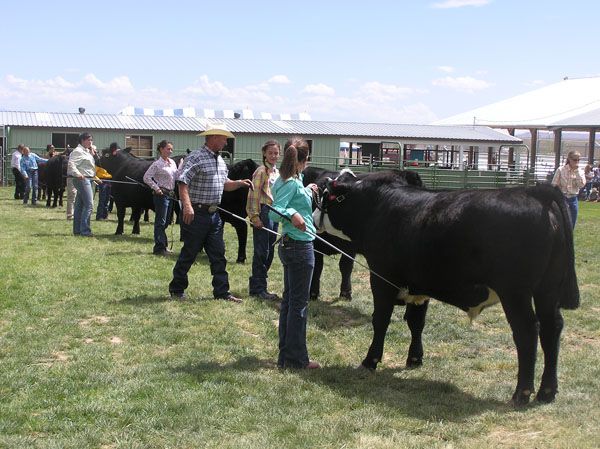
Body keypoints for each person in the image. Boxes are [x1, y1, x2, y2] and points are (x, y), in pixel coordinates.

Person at [168, 123, 252, 302]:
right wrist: (188, 206)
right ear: (213, 137)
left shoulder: (220, 160)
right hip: (197, 213)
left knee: (218, 254)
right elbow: (183, 182)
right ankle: (177, 289)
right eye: (223, 138)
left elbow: (224, 184)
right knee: (189, 252)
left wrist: (239, 183)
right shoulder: (196, 157)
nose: (226, 141)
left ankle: (222, 292)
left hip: (214, 216)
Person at [268, 137, 320, 370]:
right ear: (303, 159)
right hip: (299, 247)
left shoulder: (290, 180)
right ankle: (297, 360)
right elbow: (275, 211)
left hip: (292, 246)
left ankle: (285, 356)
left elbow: (290, 195)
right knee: (297, 305)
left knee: (290, 303)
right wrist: (292, 213)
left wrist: (307, 191)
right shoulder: (290, 183)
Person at [247, 140, 281, 300]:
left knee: (270, 249)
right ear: (264, 154)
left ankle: (259, 284)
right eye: (270, 153)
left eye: (276, 153)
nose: (273, 156)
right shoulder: (261, 171)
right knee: (262, 251)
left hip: (274, 213)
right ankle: (258, 288)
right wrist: (254, 216)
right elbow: (253, 195)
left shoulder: (277, 172)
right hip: (263, 211)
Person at [143, 140, 178, 256]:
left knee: (167, 221)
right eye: (168, 149)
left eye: (171, 149)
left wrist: (182, 167)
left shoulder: (172, 162)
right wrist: (156, 188)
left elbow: (176, 176)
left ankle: (163, 245)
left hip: (170, 194)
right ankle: (159, 248)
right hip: (161, 195)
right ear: (161, 149)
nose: (170, 151)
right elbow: (146, 177)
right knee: (161, 222)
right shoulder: (157, 164)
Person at [67, 132, 98, 237]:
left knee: (80, 206)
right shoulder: (78, 151)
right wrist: (78, 174)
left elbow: (88, 167)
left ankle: (77, 230)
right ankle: (85, 231)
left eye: (91, 140)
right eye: (88, 140)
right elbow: (71, 164)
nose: (90, 142)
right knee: (89, 205)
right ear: (82, 140)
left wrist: (95, 177)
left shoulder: (87, 152)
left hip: (88, 178)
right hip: (82, 179)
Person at [552, 150, 585, 228]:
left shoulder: (580, 171)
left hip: (573, 199)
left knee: (571, 225)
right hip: (562, 198)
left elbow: (581, 185)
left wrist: (576, 172)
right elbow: (554, 185)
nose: (577, 162)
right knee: (560, 223)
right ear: (569, 159)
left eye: (578, 160)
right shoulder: (561, 170)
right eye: (574, 160)